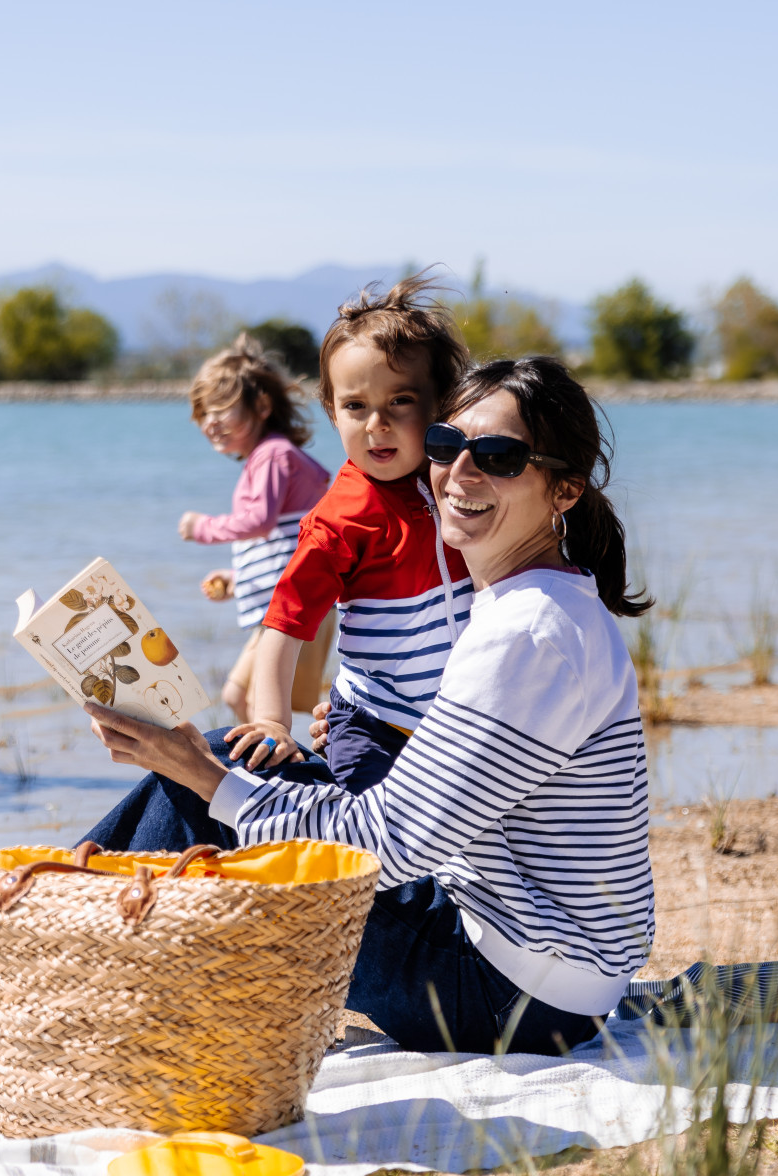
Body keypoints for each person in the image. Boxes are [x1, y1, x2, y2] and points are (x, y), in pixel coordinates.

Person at [83, 355, 655, 1056]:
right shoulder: (546, 604)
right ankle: (74, 951)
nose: (460, 474)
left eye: (500, 457)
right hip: (546, 969)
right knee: (232, 758)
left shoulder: (528, 632)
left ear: (563, 491)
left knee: (201, 786)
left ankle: (63, 971)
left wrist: (207, 782)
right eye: (447, 446)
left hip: (509, 993)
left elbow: (385, 846)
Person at [224, 275, 473, 793]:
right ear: (333, 412)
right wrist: (272, 720)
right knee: (375, 826)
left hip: (457, 717)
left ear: (439, 405)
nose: (376, 423)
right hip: (375, 723)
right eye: (356, 406)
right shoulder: (341, 518)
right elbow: (284, 627)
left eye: (400, 401)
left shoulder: (458, 480)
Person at [176, 335, 335, 722]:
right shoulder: (272, 456)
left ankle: (271, 774)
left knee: (252, 702)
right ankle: (267, 772)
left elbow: (259, 522)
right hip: (289, 600)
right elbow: (283, 540)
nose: (210, 422)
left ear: (262, 406)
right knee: (240, 697)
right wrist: (238, 578)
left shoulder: (272, 455)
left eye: (221, 409)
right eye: (203, 413)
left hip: (294, 605)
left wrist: (203, 527)